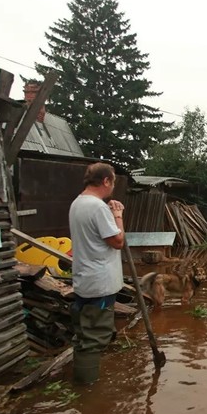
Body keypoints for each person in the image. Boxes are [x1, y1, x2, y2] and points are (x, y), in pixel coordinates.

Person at [68, 162, 125, 384]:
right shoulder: (98, 207)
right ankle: (87, 391)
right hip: (100, 283)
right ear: (106, 181)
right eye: (113, 182)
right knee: (94, 338)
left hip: (84, 280)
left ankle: (82, 380)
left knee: (83, 334)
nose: (113, 188)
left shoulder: (77, 203)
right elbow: (118, 241)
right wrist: (118, 214)